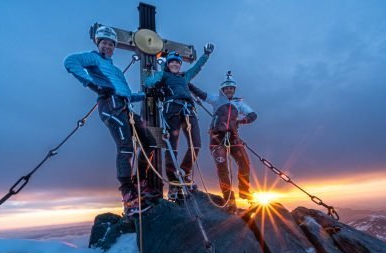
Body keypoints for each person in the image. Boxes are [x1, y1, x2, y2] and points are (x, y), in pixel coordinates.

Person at [64, 25, 158, 217]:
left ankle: (139, 182)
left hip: (124, 106)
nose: (107, 46)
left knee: (150, 142)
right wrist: (94, 86)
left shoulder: (115, 70)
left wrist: (147, 94)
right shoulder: (93, 58)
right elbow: (70, 61)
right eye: (104, 43)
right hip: (110, 106)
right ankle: (129, 196)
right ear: (98, 43)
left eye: (110, 44)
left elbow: (127, 95)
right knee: (125, 147)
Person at [144, 43, 214, 199]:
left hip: (189, 110)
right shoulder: (164, 75)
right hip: (172, 109)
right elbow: (149, 83)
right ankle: (174, 181)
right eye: (172, 62)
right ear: (168, 64)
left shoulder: (184, 76)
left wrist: (206, 55)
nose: (175, 64)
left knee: (196, 144)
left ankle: (184, 172)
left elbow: (196, 68)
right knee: (172, 146)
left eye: (177, 62)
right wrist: (161, 71)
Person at [188, 72, 257, 213]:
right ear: (223, 90)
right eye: (226, 88)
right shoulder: (216, 99)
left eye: (231, 88)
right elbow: (200, 94)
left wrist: (241, 121)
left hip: (233, 137)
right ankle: (229, 199)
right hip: (217, 138)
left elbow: (253, 115)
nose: (229, 90)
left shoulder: (239, 103)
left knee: (244, 163)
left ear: (234, 89)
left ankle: (244, 191)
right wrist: (186, 82)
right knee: (222, 167)